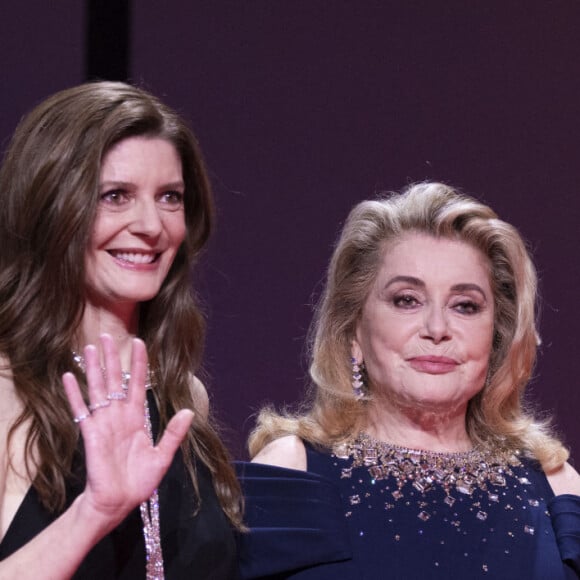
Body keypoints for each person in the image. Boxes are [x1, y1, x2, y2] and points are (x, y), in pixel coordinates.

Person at [236, 182, 580, 579]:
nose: (437, 328)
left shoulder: (556, 486)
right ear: (354, 330)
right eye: (406, 300)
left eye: (465, 306)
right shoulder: (294, 469)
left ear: (496, 337)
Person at [0, 81, 243, 578]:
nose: (152, 225)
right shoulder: (8, 390)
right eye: (116, 196)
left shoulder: (183, 395)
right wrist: (93, 513)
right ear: (51, 208)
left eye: (170, 197)